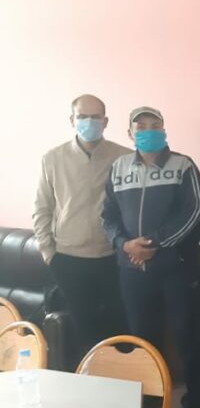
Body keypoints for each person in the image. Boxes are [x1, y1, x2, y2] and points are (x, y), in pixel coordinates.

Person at [101, 106, 200, 408]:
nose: (148, 130)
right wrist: (124, 244)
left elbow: (193, 211)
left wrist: (153, 245)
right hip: (133, 269)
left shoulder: (182, 165)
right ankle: (151, 403)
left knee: (187, 334)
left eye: (155, 125)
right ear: (130, 133)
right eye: (141, 126)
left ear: (164, 129)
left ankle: (195, 403)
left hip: (178, 267)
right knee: (143, 338)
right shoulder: (118, 168)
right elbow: (107, 215)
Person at [32, 94, 131, 368]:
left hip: (112, 257)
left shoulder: (123, 157)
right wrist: (49, 253)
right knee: (83, 330)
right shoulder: (52, 159)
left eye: (95, 116)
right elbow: (41, 208)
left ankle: (122, 385)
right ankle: (88, 385)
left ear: (106, 121)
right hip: (68, 259)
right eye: (82, 116)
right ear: (72, 120)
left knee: (119, 326)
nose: (89, 122)